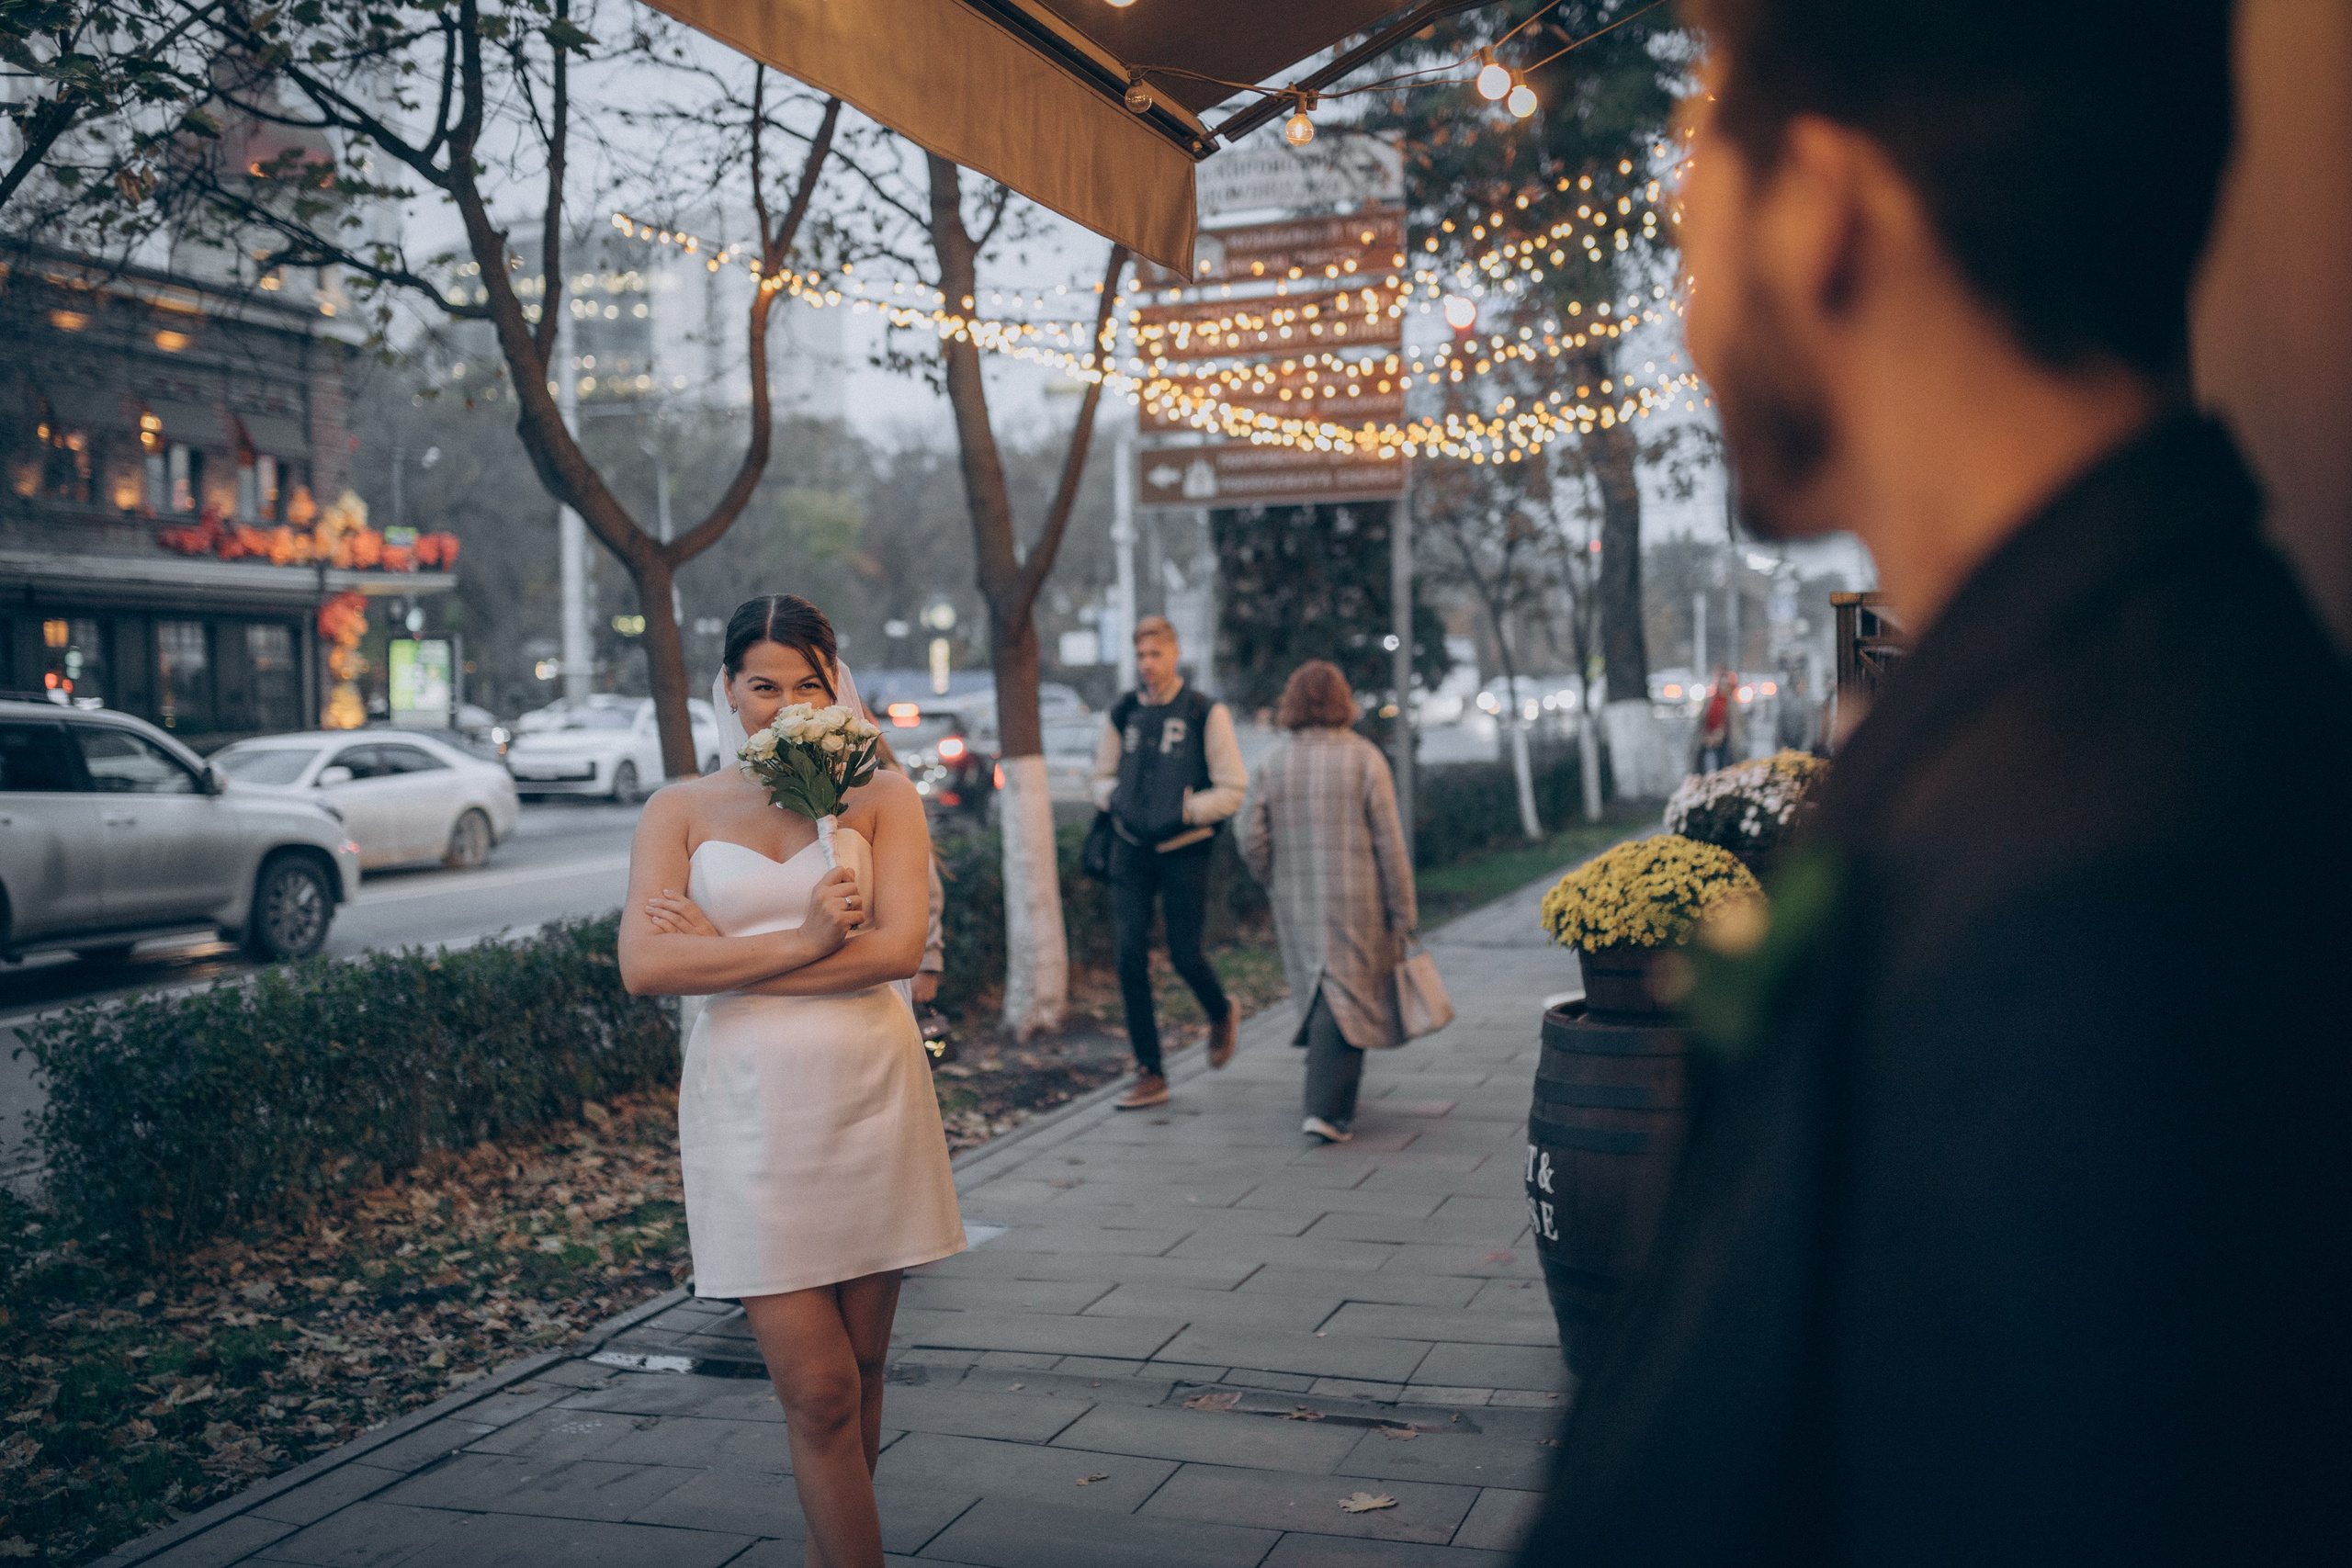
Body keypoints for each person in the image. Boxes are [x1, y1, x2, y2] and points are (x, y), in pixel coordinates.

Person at [1515, 5, 2350, 1563]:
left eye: (1699, 149)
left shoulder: (2105, 877)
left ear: (1826, 208)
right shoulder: (2071, 708)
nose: (1686, 299)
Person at [617, 595, 961, 1568]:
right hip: (748, 1113)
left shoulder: (879, 797)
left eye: (805, 684)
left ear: (834, 688)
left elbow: (894, 947)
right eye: (762, 684)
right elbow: (644, 966)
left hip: (871, 1093)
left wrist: (727, 951)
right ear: (728, 691)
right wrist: (809, 938)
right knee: (815, 1389)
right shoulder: (678, 810)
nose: (783, 703)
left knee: (862, 1367)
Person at [1239, 660, 1418, 1144]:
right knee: (1347, 994)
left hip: (1296, 899)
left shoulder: (1272, 763)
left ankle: (1330, 1105)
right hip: (1357, 897)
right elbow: (1389, 842)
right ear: (1343, 701)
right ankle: (1325, 1110)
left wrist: (1274, 879)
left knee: (1324, 990)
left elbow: (1250, 838)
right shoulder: (1365, 759)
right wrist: (1404, 911)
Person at [1091, 615, 1247, 1109]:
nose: (1147, 664)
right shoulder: (1123, 713)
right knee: (1127, 957)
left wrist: (1185, 810)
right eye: (1140, 655)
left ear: (1175, 654)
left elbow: (1233, 789)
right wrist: (1114, 800)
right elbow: (1099, 776)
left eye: (1156, 654)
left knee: (1184, 954)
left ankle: (1220, 1011)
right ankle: (1150, 1071)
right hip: (1129, 849)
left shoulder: (1204, 712)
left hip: (1184, 850)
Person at [1690, 664, 1741, 773]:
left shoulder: (1732, 704)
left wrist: (1722, 733)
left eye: (1726, 684)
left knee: (1723, 769)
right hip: (1708, 740)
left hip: (1726, 743)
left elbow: (1736, 725)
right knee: (1706, 768)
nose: (1723, 687)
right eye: (1722, 684)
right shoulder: (1711, 701)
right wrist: (1707, 735)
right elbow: (1703, 720)